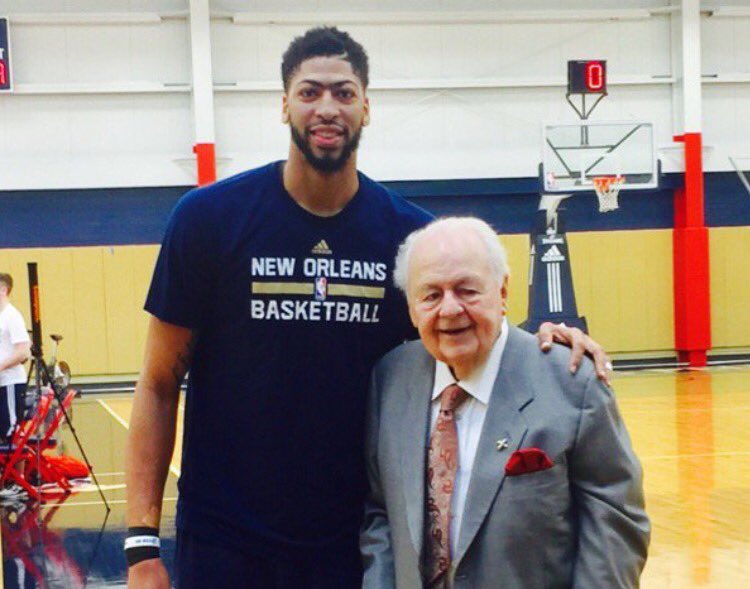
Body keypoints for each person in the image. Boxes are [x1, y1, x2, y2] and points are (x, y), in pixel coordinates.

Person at [125, 27, 610, 589]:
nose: (326, 107)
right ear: (284, 105)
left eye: (344, 92)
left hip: (357, 545)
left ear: (366, 108)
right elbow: (159, 383)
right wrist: (141, 547)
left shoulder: (411, 238)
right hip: (225, 542)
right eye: (309, 92)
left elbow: (466, 345)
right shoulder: (207, 220)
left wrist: (548, 341)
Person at [361, 217, 649, 589]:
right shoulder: (390, 378)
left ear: (502, 291)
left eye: (467, 290)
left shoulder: (573, 382)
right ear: (412, 308)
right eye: (431, 295)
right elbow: (381, 513)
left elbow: (614, 526)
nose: (449, 310)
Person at [0, 273, 31, 499]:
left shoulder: (12, 316)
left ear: (3, 290)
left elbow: (23, 352)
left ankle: (17, 484)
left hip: (11, 382)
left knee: (12, 432)